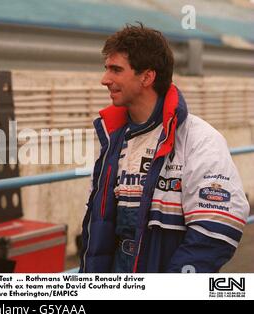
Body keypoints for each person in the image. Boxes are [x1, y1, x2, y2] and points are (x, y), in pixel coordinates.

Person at [79, 23, 250, 273]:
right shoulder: (113, 140)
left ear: (147, 77)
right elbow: (99, 233)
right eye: (107, 69)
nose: (105, 80)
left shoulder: (200, 140)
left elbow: (215, 232)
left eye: (116, 70)